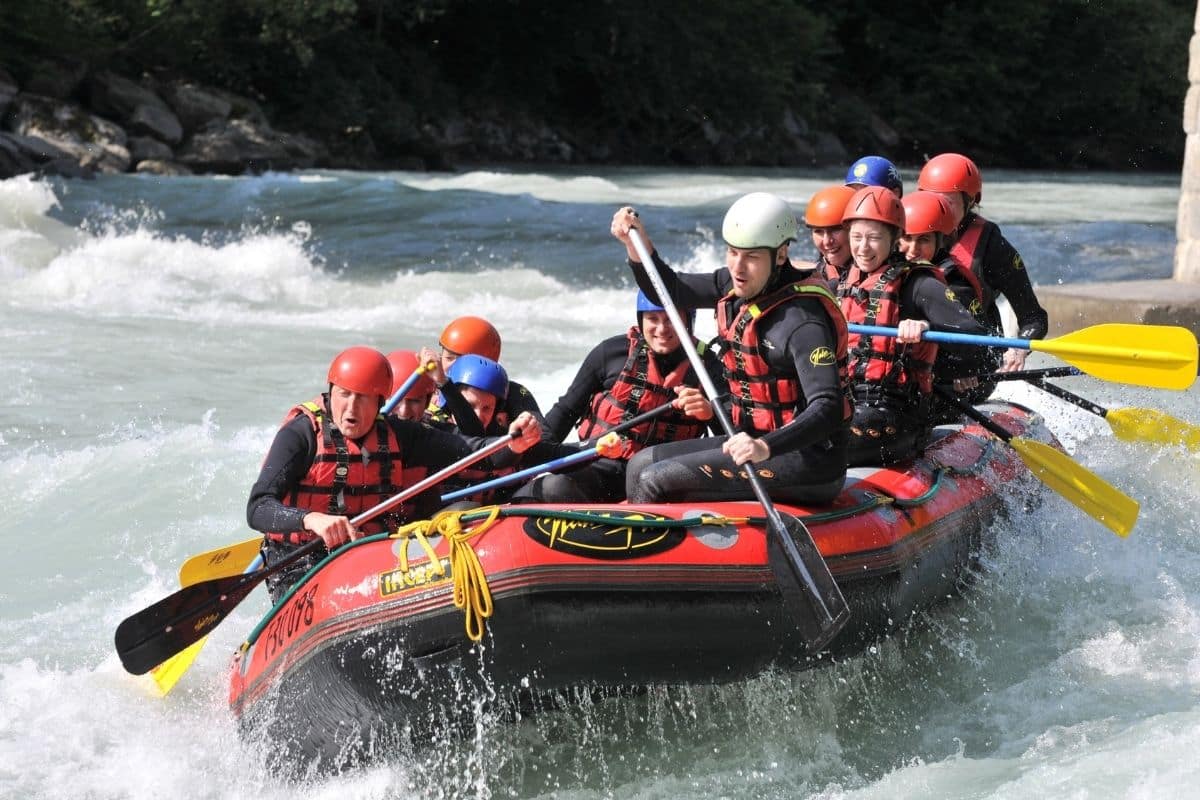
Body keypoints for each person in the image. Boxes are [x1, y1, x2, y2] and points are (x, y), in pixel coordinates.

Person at [611, 193, 852, 506]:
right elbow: (671, 289)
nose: (738, 267)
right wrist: (636, 244)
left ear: (780, 255)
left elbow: (828, 407)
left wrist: (766, 447)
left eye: (751, 256)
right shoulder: (738, 284)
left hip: (809, 461)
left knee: (654, 479)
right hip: (750, 442)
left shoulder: (803, 322)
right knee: (639, 464)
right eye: (732, 252)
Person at [246, 346, 542, 600]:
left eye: (362, 398)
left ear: (379, 403)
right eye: (344, 394)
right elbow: (258, 507)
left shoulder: (402, 435)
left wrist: (516, 444)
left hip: (369, 555)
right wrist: (312, 520)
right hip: (300, 560)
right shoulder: (301, 435)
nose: (351, 407)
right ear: (330, 392)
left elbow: (477, 455)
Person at [514, 290, 720, 503]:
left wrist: (711, 413)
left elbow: (733, 436)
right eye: (652, 319)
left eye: (671, 319)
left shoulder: (708, 366)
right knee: (553, 487)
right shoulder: (611, 353)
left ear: (688, 321)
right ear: (641, 320)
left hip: (664, 477)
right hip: (602, 468)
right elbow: (564, 412)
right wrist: (540, 453)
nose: (661, 328)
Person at [836, 187, 992, 466]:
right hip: (848, 404)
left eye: (873, 238)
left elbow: (980, 345)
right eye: (856, 237)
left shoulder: (919, 284)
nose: (862, 248)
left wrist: (926, 333)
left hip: (897, 417)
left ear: (894, 238)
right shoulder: (845, 282)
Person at [917, 153, 1048, 371]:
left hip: (973, 362)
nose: (937, 213)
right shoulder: (904, 235)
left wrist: (1018, 347)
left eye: (947, 204)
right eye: (932, 202)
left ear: (970, 203)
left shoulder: (991, 245)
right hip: (920, 352)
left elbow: (1034, 317)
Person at [899, 191, 999, 408]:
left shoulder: (955, 283)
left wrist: (963, 369)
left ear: (941, 241)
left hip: (955, 379)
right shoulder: (887, 272)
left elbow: (984, 350)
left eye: (923, 240)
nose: (912, 250)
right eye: (906, 238)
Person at [422, 315, 544, 436]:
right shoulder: (424, 389)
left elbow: (545, 439)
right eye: (449, 358)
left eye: (464, 362)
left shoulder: (513, 393)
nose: (453, 367)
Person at [803, 184, 856, 282]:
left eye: (835, 229)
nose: (827, 242)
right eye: (818, 231)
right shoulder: (819, 275)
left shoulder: (886, 280)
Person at [384, 349, 437, 421]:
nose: (404, 412)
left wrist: (444, 383)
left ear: (426, 403)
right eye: (395, 399)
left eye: (414, 400)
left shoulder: (433, 429)